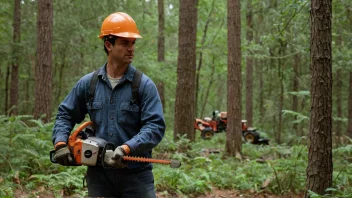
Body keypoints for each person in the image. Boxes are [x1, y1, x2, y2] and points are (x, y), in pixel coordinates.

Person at [52, 12, 165, 197]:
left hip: (136, 176)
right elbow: (65, 114)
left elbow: (155, 127)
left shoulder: (143, 85)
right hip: (99, 177)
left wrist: (125, 148)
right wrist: (61, 143)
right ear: (108, 45)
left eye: (133, 43)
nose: (131, 48)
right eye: (124, 43)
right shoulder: (88, 84)